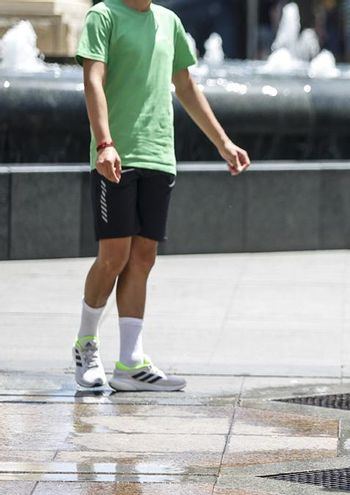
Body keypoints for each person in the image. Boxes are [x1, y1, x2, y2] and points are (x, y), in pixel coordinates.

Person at [74, 0, 249, 392]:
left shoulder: (169, 21)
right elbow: (93, 80)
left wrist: (223, 143)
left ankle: (131, 363)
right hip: (115, 154)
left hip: (159, 155)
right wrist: (104, 143)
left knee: (143, 256)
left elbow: (184, 84)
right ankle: (86, 344)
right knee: (114, 255)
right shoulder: (103, 16)